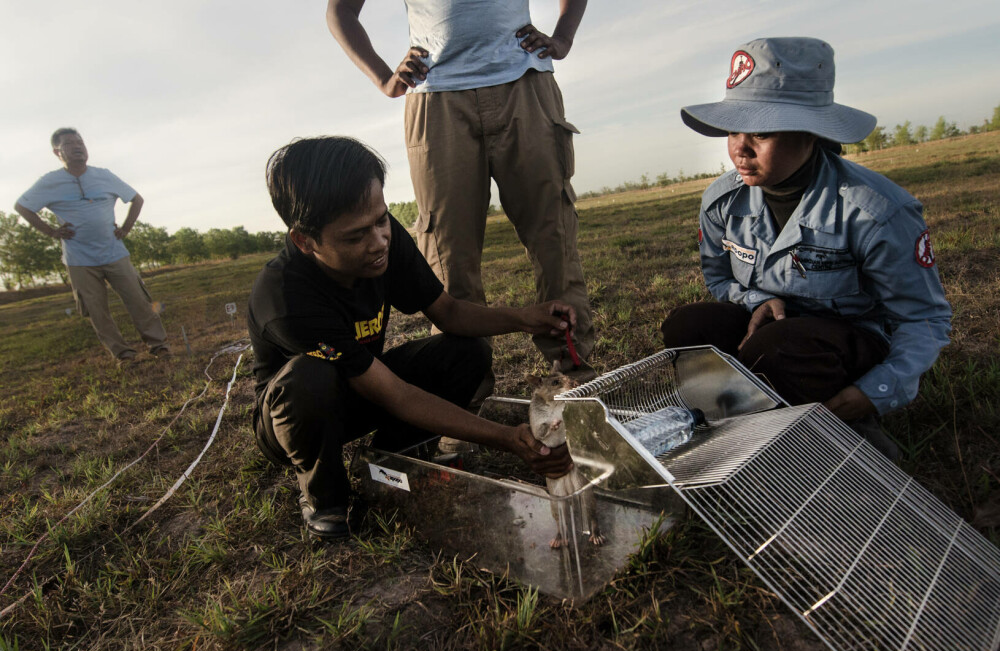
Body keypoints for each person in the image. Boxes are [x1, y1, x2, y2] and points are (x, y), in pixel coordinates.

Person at [248, 136, 575, 540]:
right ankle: (325, 499)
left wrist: (525, 319)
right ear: (305, 240)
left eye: (381, 220)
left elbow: (449, 312)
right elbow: (395, 395)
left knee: (466, 352)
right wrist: (507, 438)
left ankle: (394, 456)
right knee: (309, 376)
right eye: (355, 236)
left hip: (363, 385)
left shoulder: (383, 238)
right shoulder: (286, 298)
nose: (379, 241)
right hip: (298, 417)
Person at [660, 37, 952, 460]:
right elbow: (719, 276)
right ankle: (739, 419)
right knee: (686, 328)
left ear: (811, 134)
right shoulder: (722, 201)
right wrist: (758, 299)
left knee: (777, 348)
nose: (739, 149)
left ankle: (840, 427)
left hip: (848, 340)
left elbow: (924, 316)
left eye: (761, 132)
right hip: (769, 330)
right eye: (732, 130)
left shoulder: (875, 211)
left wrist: (877, 389)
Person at [326, 0, 596, 395]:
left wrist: (564, 37)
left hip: (524, 82)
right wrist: (384, 77)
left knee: (553, 238)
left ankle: (576, 381)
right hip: (436, 98)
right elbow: (340, 11)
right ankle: (465, 395)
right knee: (449, 256)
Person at [15, 128, 169, 365]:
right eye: (70, 144)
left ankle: (159, 346)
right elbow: (22, 207)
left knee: (138, 299)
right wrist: (51, 231)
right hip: (79, 259)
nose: (78, 147)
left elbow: (136, 199)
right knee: (96, 311)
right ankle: (123, 354)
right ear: (57, 152)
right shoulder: (49, 182)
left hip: (114, 252)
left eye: (81, 142)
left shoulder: (103, 175)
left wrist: (126, 229)